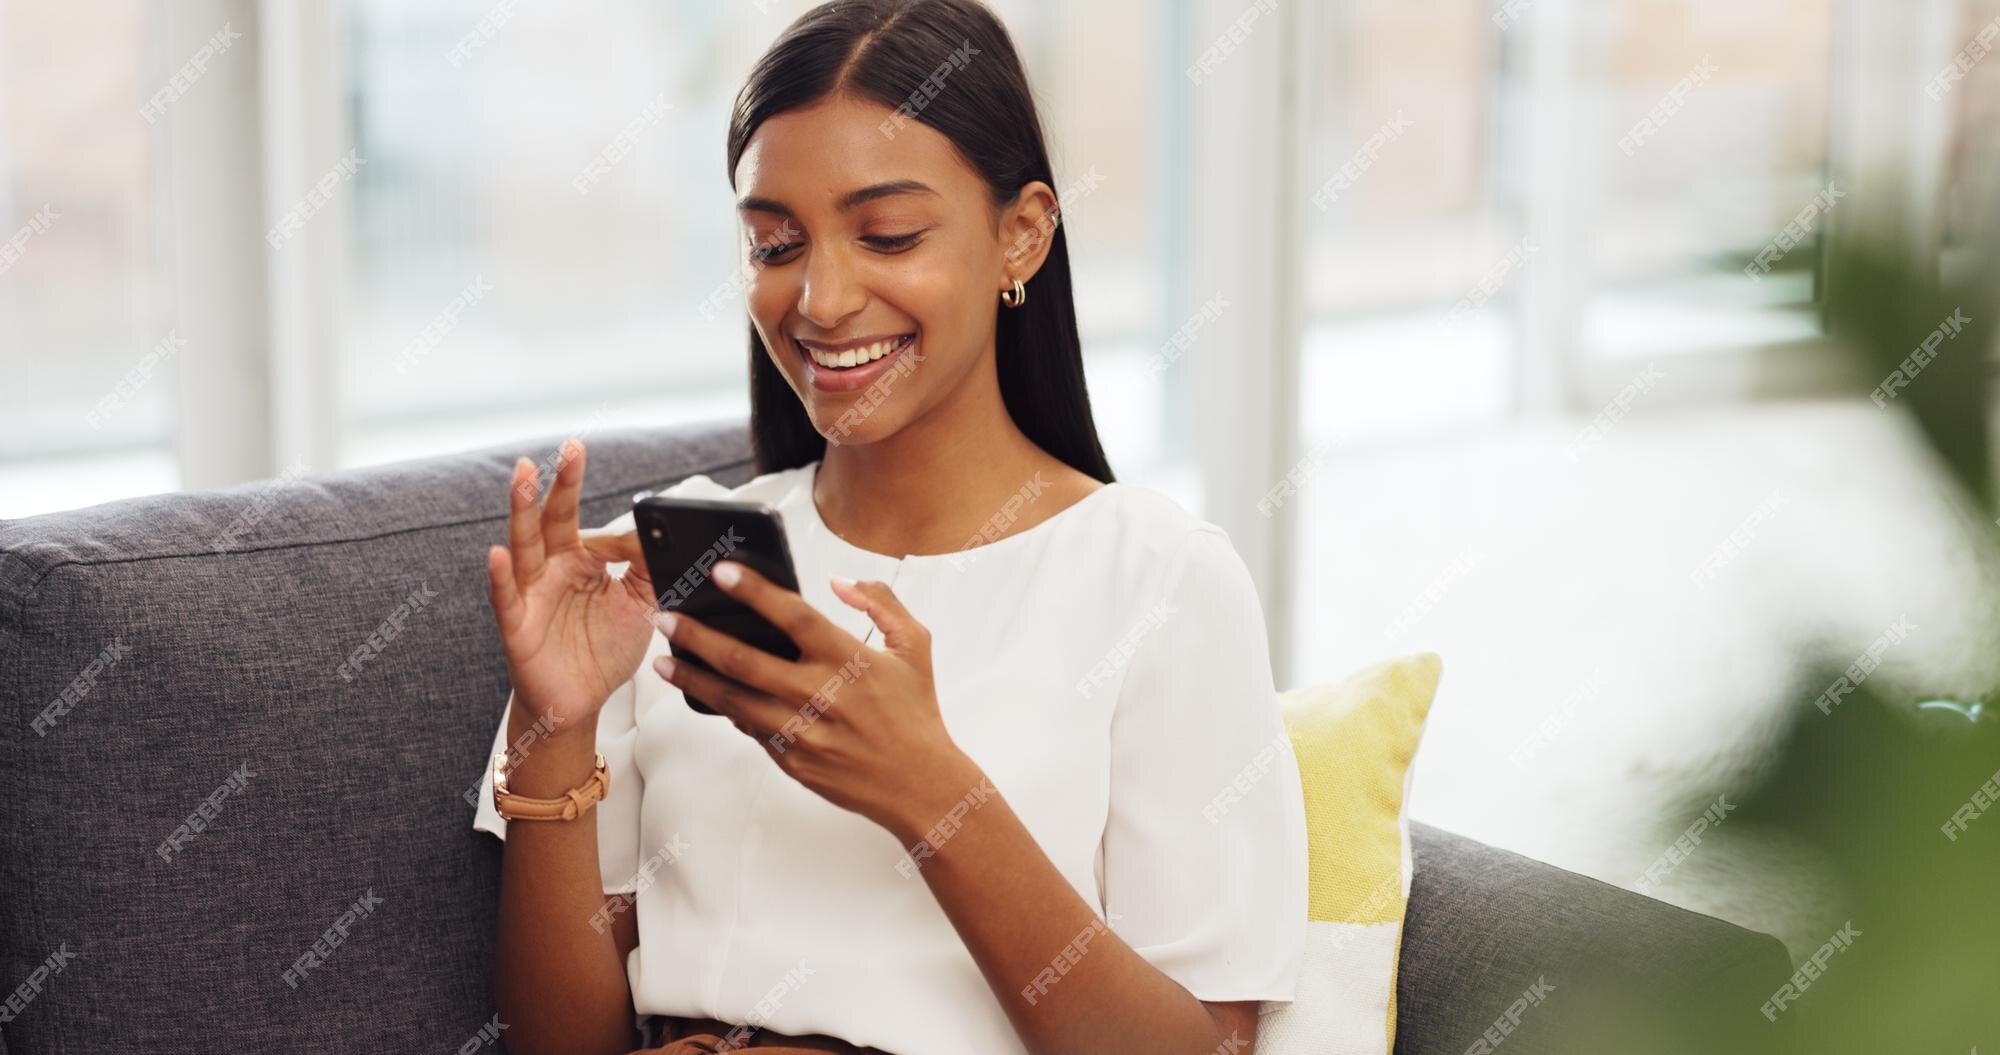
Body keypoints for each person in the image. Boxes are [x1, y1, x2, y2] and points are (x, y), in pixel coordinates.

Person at [471, 2, 1306, 1052]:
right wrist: (555, 723)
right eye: (775, 243)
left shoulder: (1158, 579)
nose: (818, 299)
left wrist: (930, 793)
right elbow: (558, 1043)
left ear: (1021, 232)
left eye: (888, 234)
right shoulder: (688, 565)